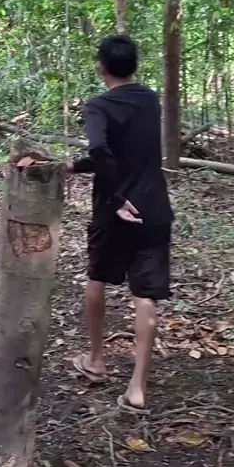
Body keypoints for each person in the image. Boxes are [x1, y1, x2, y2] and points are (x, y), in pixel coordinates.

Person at [67, 35, 173, 413]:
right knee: (144, 295)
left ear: (101, 67)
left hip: (113, 212)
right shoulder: (150, 100)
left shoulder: (99, 106)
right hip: (153, 209)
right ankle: (137, 388)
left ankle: (96, 360)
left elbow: (101, 150)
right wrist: (71, 167)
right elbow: (121, 152)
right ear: (134, 66)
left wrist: (114, 200)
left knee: (97, 278)